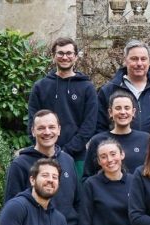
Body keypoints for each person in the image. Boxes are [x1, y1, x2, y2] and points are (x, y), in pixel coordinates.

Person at [26, 37, 99, 168]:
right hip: (43, 157)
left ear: (76, 57)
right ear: (54, 56)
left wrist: (66, 151)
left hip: (76, 158)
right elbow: (32, 121)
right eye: (60, 53)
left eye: (69, 53)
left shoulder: (87, 87)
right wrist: (45, 148)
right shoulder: (40, 87)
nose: (65, 57)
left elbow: (89, 125)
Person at [97, 39, 150, 133]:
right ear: (125, 60)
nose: (139, 63)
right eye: (134, 59)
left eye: (143, 59)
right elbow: (99, 126)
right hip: (119, 146)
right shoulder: (108, 90)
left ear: (149, 61)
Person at [83, 91, 150, 178]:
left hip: (139, 190)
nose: (122, 112)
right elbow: (87, 177)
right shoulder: (98, 141)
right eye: (118, 108)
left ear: (133, 112)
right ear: (110, 112)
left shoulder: (145, 139)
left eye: (127, 108)